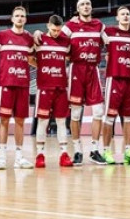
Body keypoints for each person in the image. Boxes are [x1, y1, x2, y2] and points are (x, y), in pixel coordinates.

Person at [52, 0, 106, 166]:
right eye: (82, 4)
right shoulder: (70, 26)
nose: (85, 6)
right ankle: (77, 150)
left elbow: (112, 40)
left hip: (93, 70)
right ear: (77, 9)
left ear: (91, 7)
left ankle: (95, 150)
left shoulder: (99, 25)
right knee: (75, 114)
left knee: (98, 112)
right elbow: (54, 37)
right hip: (76, 69)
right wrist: (40, 33)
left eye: (88, 4)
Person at [0, 6, 35, 170]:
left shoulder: (29, 39)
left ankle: (19, 157)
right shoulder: (2, 36)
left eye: (22, 16)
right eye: (17, 16)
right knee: (4, 120)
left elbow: (31, 59)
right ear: (12, 18)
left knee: (20, 121)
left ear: (25, 19)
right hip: (6, 84)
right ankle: (2, 157)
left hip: (23, 85)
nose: (19, 18)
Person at [100, 7, 130, 165]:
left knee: (129, 118)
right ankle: (106, 151)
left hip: (129, 80)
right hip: (114, 79)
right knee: (109, 117)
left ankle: (129, 152)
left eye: (128, 14)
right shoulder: (109, 32)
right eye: (123, 14)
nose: (126, 16)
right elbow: (95, 29)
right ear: (117, 18)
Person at [33, 15, 74, 168]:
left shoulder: (66, 42)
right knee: (43, 121)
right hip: (44, 87)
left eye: (58, 30)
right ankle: (39, 154)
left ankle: (64, 154)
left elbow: (69, 57)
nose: (56, 33)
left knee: (62, 121)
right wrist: (42, 67)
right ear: (47, 26)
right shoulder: (39, 40)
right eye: (53, 30)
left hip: (61, 87)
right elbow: (29, 58)